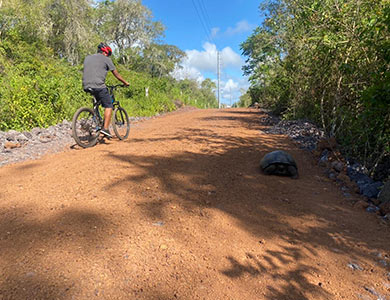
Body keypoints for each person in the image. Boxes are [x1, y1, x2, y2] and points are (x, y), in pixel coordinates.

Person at [82, 43, 129, 138]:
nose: (108, 55)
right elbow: (116, 74)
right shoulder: (106, 59)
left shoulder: (88, 58)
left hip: (86, 85)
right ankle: (105, 128)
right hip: (98, 85)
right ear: (105, 52)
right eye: (108, 54)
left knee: (97, 102)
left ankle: (96, 120)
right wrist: (125, 82)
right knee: (109, 105)